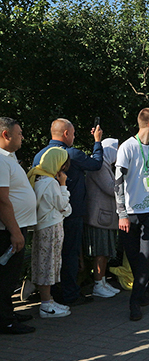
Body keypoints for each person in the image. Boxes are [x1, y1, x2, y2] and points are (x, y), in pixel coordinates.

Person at [33, 118, 103, 307]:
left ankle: (53, 293)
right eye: (72, 133)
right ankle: (70, 294)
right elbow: (96, 164)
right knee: (70, 254)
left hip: (46, 216)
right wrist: (97, 141)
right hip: (70, 213)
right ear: (66, 134)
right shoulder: (71, 154)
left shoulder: (40, 156)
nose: (73, 137)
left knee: (53, 256)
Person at [116, 108, 149, 321]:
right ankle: (143, 289)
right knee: (134, 256)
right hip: (131, 211)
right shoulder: (127, 147)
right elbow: (117, 182)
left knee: (147, 256)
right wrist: (121, 213)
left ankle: (134, 302)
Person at [0, 117, 38, 334]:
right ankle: (5, 321)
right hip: (7, 231)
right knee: (5, 278)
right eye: (19, 133)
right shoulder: (0, 160)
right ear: (6, 135)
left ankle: (8, 312)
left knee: (11, 276)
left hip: (15, 227)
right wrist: (15, 231)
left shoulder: (9, 158)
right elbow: (2, 200)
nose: (23, 137)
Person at [28, 147, 72, 318]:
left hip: (42, 226)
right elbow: (64, 207)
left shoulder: (37, 178)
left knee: (43, 263)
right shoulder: (51, 183)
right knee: (49, 265)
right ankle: (46, 305)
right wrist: (63, 185)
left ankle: (49, 301)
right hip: (51, 227)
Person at [84, 138, 120, 298]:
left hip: (104, 217)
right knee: (101, 251)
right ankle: (98, 283)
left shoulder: (104, 165)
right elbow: (111, 189)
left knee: (105, 252)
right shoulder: (98, 166)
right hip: (99, 219)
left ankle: (102, 281)